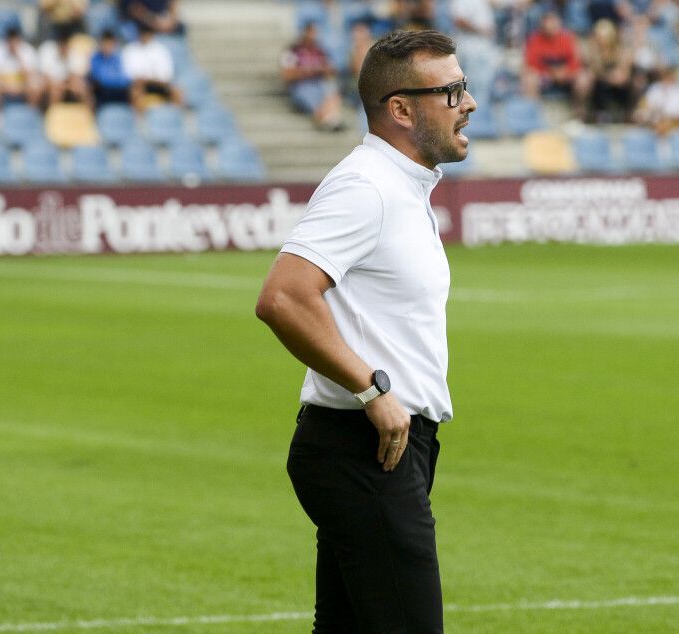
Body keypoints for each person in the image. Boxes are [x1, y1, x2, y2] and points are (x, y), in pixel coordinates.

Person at [255, 28, 475, 634]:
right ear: (401, 109)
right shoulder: (366, 187)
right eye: (451, 91)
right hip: (360, 447)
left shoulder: (401, 186)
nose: (469, 103)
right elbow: (283, 297)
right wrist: (372, 389)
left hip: (382, 446)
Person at [522, 11, 592, 120]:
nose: (551, 26)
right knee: (529, 79)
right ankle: (533, 116)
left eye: (554, 23)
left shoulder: (568, 38)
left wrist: (565, 72)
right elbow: (531, 63)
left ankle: (579, 114)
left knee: (583, 78)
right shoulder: (535, 39)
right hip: (545, 76)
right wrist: (551, 73)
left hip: (567, 76)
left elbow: (576, 61)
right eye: (548, 23)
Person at [280, 21, 344, 130]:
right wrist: (309, 71)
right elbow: (287, 75)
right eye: (311, 32)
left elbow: (331, 70)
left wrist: (321, 70)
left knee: (331, 88)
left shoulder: (320, 51)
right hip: (301, 86)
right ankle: (324, 118)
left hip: (318, 84)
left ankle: (329, 118)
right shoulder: (293, 51)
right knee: (310, 94)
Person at [122, 23, 182, 109]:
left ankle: (178, 118)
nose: (145, 36)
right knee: (135, 93)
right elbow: (129, 74)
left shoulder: (161, 50)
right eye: (143, 34)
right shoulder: (130, 50)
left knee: (177, 92)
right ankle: (139, 121)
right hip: (140, 85)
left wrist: (151, 79)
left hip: (158, 84)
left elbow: (166, 75)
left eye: (147, 34)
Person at [0, 26, 44, 111]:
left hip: (22, 84)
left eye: (15, 41)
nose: (12, 45)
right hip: (3, 84)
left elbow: (31, 76)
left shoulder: (28, 50)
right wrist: (8, 87)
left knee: (36, 86)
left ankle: (31, 113)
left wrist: (19, 58)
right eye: (10, 42)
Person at [635, 66, 679, 134]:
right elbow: (645, 106)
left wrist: (670, 118)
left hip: (674, 123)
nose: (667, 79)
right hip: (654, 121)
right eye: (666, 77)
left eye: (670, 77)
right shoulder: (654, 89)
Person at [39, 32, 92, 106]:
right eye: (61, 44)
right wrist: (60, 86)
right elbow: (46, 78)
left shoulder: (75, 54)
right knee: (55, 92)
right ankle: (51, 115)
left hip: (68, 85)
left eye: (65, 44)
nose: (63, 47)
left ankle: (89, 115)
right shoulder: (48, 51)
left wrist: (66, 85)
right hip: (54, 86)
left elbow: (76, 78)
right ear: (58, 44)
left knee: (83, 90)